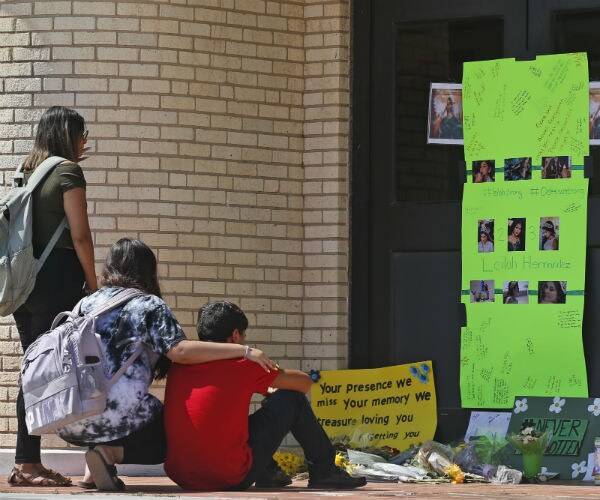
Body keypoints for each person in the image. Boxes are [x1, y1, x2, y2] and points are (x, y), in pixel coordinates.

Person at [57, 239, 276, 491]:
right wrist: (243, 350)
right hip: (115, 416)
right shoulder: (147, 305)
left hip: (70, 416)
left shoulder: (87, 303)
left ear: (110, 267)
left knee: (100, 386)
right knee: (178, 430)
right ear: (148, 271)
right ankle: (107, 454)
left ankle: (92, 472)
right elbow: (180, 351)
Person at [164, 301, 367, 491]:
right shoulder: (243, 365)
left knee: (234, 423)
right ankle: (325, 471)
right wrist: (272, 383)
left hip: (183, 476)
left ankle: (267, 472)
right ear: (235, 335)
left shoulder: (179, 365)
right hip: (229, 477)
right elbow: (303, 384)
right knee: (291, 398)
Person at [8, 107, 97, 487]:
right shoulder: (67, 172)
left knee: (34, 369)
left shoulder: (25, 170)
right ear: (67, 134)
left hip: (23, 284)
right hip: (55, 281)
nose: (85, 141)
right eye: (82, 134)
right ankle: (26, 464)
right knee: (39, 372)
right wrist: (95, 284)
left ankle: (28, 460)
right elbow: (80, 234)